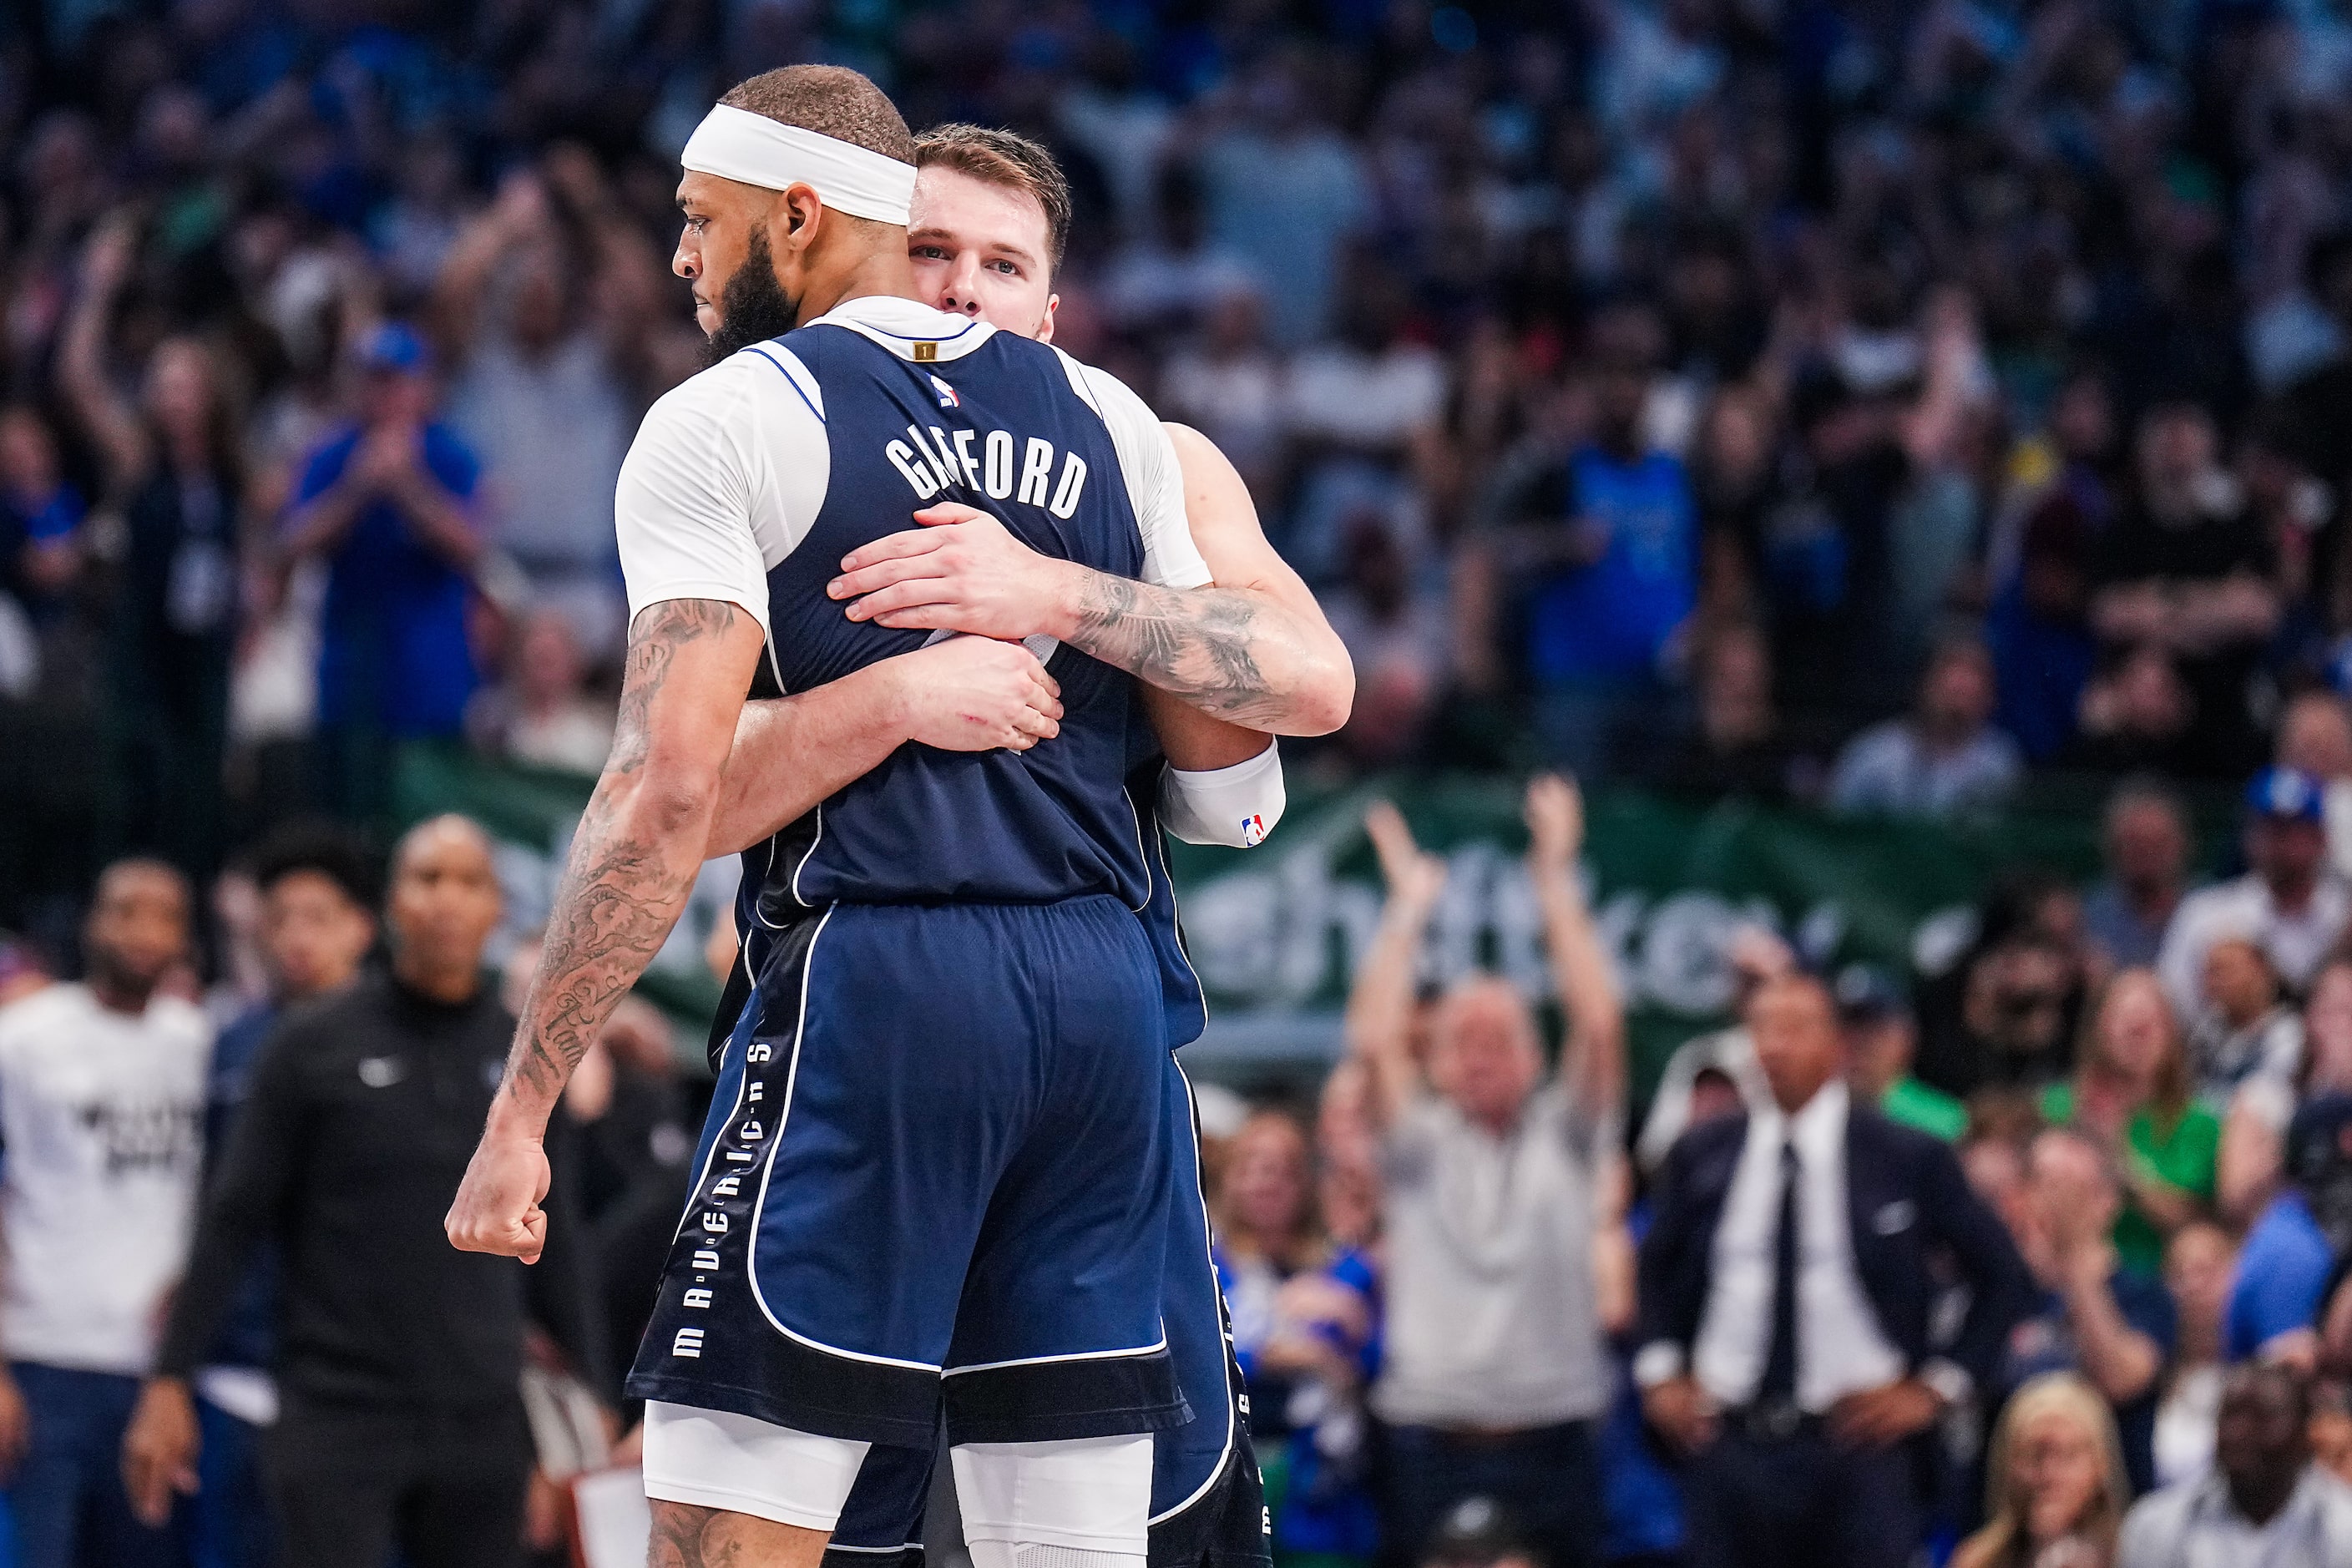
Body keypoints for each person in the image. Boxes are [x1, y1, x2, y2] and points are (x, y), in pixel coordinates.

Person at [443, 66, 1343, 1568]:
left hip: (887, 977)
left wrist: (524, 1105)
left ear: (798, 221)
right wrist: (913, 689)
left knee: (722, 1532)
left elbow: (670, 790)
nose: (676, 257)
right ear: (889, 229)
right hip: (1103, 1009)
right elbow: (1261, 737)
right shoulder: (1120, 430)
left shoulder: (736, 412)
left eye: (696, 221)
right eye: (943, 251)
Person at [121, 817, 605, 1568]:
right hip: (336, 1411)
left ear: (497, 909)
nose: (446, 899)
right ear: (391, 904)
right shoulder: (310, 1044)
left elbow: (560, 1241)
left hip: (480, 1415)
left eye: (467, 881)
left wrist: (593, 1399)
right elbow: (232, 1220)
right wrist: (170, 1376)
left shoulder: (528, 1059)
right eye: (426, 878)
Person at [1635, 972, 2032, 1568]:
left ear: (1835, 1044)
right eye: (1762, 1028)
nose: (1774, 1046)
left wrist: (1937, 1387)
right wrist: (1660, 1369)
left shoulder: (1903, 1155)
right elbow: (1654, 1268)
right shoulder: (1702, 1152)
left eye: (1793, 1028)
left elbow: (2002, 1275)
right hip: (1728, 1443)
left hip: (1857, 1447)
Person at [1347, 776, 1626, 1568]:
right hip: (1428, 1431)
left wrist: (1553, 878)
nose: (1480, 1054)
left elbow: (1599, 1024)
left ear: (1536, 1055)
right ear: (1432, 1059)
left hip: (1554, 1430)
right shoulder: (1416, 1144)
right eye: (1462, 1039)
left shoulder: (1569, 1135)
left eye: (1499, 1036)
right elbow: (1372, 1045)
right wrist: (1407, 907)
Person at [0, 858, 209, 1568]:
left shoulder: (201, 1044)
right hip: (41, 1361)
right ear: (92, 921)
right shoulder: (25, 1038)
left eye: (166, 916)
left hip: (159, 1376)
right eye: (126, 910)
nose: (145, 932)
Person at [192, 826, 380, 1568]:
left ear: (361, 929)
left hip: (359, 1376)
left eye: (318, 917)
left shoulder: (408, 1036)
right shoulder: (232, 1043)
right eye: (279, 918)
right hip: (238, 1369)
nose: (297, 937)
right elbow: (214, 1202)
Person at [58, 215, 248, 878]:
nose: (173, 398)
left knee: (200, 799)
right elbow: (79, 377)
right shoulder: (139, 462)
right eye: (163, 384)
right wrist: (97, 288)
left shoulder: (229, 475)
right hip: (144, 648)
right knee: (140, 785)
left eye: (185, 383)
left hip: (207, 651)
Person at [282, 322, 487, 819]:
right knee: (349, 815)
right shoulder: (333, 454)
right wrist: (357, 489)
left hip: (429, 677)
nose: (384, 394)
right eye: (373, 380)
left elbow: (473, 547)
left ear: (421, 387)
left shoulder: (448, 454)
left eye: (395, 380)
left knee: (426, 819)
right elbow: (289, 543)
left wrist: (408, 487)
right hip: (350, 671)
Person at [2001, 1130, 2178, 1495]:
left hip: (2112, 1510)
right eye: (2045, 1184)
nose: (2057, 1202)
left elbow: (2120, 1380)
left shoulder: (2145, 1292)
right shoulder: (2001, 1293)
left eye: (2072, 1189)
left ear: (2107, 1200)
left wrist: (2074, 1256)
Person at [2040, 971, 2218, 1277]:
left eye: (2149, 1024)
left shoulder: (2198, 1123)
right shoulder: (2060, 1107)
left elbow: (2191, 1219)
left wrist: (2116, 1160)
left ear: (2171, 1036)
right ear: (2099, 1030)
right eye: (2124, 1020)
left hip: (2152, 1280)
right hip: (2058, 1274)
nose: (2137, 1033)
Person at [2157, 767, 2350, 1027]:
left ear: (2322, 838)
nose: (2278, 844)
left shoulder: (2343, 912)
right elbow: (2171, 1012)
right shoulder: (2207, 914)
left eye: (2291, 830)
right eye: (2267, 829)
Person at [2117, 1364, 2352, 1565]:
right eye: (2228, 1415)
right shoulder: (2155, 1526)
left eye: (2261, 1418)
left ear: (2303, 1436)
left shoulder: (2343, 1528)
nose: (2236, 1433)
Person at [1827, 636, 2024, 818]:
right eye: (1952, 693)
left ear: (1989, 699)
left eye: (1969, 695)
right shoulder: (1874, 755)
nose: (1957, 708)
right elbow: (1835, 829)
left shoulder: (2000, 759)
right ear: (1923, 688)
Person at [2218, 958, 2352, 1224]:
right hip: (2299, 1231)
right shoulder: (2266, 1096)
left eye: (2349, 1010)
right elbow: (2235, 1200)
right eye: (2331, 1009)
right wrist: (2287, 1155)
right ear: (2308, 1019)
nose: (2342, 1024)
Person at [1954, 1373, 2133, 1568]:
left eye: (2067, 1455)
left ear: (2100, 1464)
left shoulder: (2132, 1556)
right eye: (2034, 1455)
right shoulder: (1977, 1561)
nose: (2049, 1474)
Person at [1838, 964, 1965, 1141]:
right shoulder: (1805, 1107)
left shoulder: (1942, 1122)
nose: (1857, 1044)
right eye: (1845, 1028)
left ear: (1906, 1038)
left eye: (1874, 1031)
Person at [2154, 1222, 2234, 1490]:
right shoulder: (2155, 1374)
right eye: (2178, 1275)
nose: (2191, 1285)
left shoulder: (2264, 1364)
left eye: (2205, 1271)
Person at [2083, 782, 2194, 974]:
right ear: (2113, 846)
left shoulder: (2210, 910)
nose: (2146, 854)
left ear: (2182, 844)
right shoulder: (2089, 919)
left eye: (2157, 844)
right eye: (2135, 843)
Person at [2188, 938, 2300, 1108]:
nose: (2214, 982)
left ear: (2260, 972)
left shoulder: (2286, 1032)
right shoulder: (2205, 1032)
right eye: (2210, 973)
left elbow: (2271, 1098)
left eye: (2225, 971)